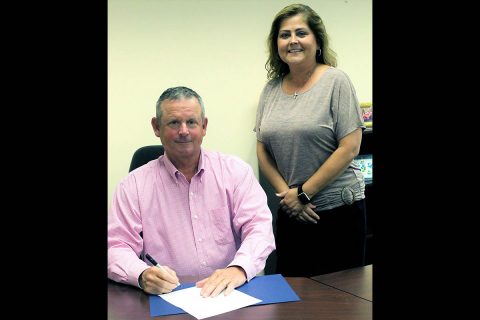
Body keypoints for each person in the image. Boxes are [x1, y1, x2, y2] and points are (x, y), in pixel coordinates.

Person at [108, 86, 275, 297]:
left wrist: (238, 268)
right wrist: (141, 274)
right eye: (174, 122)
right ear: (156, 127)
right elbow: (116, 246)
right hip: (167, 299)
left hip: (229, 295)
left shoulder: (235, 172)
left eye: (191, 122)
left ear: (204, 126)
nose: (184, 131)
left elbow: (259, 228)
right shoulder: (132, 186)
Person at [254, 4, 367, 277]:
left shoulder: (336, 81)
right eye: (284, 35)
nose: (292, 40)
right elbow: (262, 150)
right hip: (293, 213)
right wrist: (289, 197)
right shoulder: (270, 89)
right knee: (293, 300)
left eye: (301, 33)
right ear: (276, 45)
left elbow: (350, 147)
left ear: (317, 41)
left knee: (341, 305)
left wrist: (304, 193)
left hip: (337, 212)